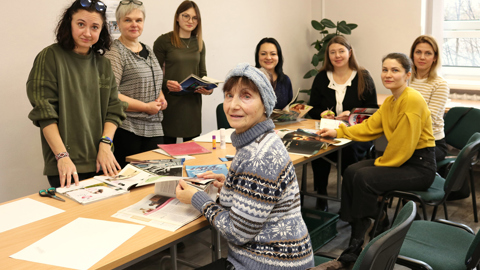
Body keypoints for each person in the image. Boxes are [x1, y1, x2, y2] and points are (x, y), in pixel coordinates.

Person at [175, 63, 314, 270]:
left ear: (265, 104)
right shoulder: (258, 140)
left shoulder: (259, 156)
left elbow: (237, 233)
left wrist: (197, 198)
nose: (233, 105)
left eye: (246, 96)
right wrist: (231, 185)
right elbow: (258, 196)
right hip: (276, 258)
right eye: (229, 95)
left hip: (268, 264)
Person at [316, 53, 436, 269]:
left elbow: (403, 146)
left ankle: (362, 242)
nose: (388, 74)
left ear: (408, 75)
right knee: (352, 171)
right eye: (385, 69)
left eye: (395, 70)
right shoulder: (390, 101)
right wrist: (339, 131)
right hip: (404, 160)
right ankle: (371, 227)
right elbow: (369, 128)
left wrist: (378, 166)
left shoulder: (412, 99)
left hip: (420, 165)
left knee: (364, 177)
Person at [26, 0, 126, 188]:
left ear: (102, 30)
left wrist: (105, 145)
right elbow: (45, 113)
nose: (87, 33)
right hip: (65, 164)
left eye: (94, 27)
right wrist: (62, 156)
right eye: (81, 24)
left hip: (102, 160)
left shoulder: (103, 64)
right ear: (69, 23)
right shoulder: (49, 57)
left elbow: (114, 109)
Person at [307, 36, 378, 211]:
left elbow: (372, 110)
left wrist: (351, 114)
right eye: (332, 52)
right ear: (328, 56)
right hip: (328, 131)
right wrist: (322, 113)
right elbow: (312, 109)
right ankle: (321, 194)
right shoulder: (322, 78)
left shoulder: (363, 77)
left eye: (341, 51)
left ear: (350, 53)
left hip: (356, 134)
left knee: (347, 150)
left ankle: (349, 197)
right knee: (318, 146)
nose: (337, 55)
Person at [104, 0, 167, 169]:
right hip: (128, 129)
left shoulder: (147, 49)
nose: (134, 24)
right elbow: (112, 95)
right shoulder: (115, 52)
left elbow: (155, 80)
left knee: (154, 181)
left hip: (154, 128)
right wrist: (145, 107)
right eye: (128, 20)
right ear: (118, 23)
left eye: (138, 20)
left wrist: (161, 97)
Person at [153, 0, 210, 144]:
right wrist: (167, 84)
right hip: (169, 104)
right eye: (186, 16)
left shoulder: (199, 43)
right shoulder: (163, 41)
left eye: (195, 18)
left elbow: (202, 73)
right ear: (177, 17)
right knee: (167, 153)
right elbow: (154, 75)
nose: (190, 21)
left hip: (192, 106)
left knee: (192, 155)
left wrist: (208, 88)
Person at [409, 35, 449, 162]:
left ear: (435, 58)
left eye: (428, 53)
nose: (422, 57)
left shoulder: (440, 84)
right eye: (418, 52)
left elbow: (428, 120)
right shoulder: (405, 80)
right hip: (409, 139)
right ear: (412, 55)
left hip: (432, 143)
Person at [255, 37, 293, 109]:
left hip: (281, 120)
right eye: (263, 54)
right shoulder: (250, 80)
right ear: (257, 56)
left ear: (278, 57)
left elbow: (289, 106)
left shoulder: (285, 80)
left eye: (273, 54)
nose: (268, 57)